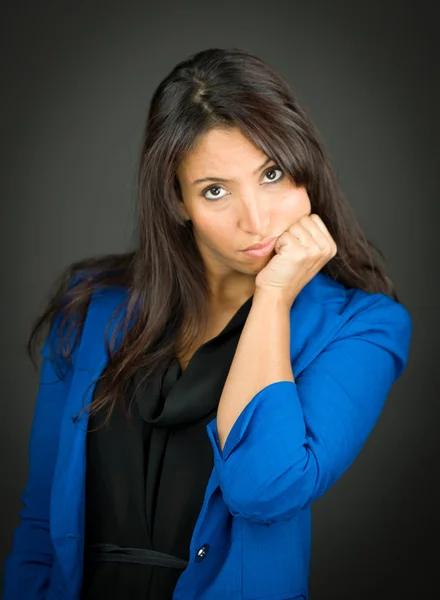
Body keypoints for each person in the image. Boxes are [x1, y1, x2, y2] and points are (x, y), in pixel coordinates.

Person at [3, 47, 412, 600]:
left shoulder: (364, 328)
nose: (257, 219)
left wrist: (271, 298)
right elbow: (39, 524)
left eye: (272, 173)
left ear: (305, 168)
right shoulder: (91, 306)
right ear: (177, 201)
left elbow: (263, 490)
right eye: (215, 190)